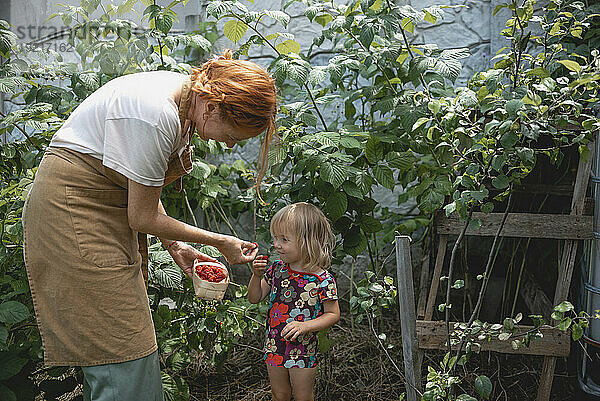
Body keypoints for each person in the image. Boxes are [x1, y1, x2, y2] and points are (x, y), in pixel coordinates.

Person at [22, 49, 277, 400]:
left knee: (125, 347)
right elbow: (141, 216)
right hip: (73, 211)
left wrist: (176, 246)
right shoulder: (157, 114)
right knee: (122, 350)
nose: (231, 143)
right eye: (234, 133)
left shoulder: (181, 105)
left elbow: (136, 181)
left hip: (100, 208)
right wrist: (219, 241)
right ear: (214, 106)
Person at [248, 202, 341, 401]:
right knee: (279, 394)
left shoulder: (322, 280)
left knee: (303, 396)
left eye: (284, 239)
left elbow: (333, 314)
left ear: (307, 242)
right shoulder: (277, 270)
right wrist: (256, 276)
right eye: (275, 238)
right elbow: (254, 298)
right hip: (275, 344)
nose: (276, 245)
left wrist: (305, 325)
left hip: (303, 350)